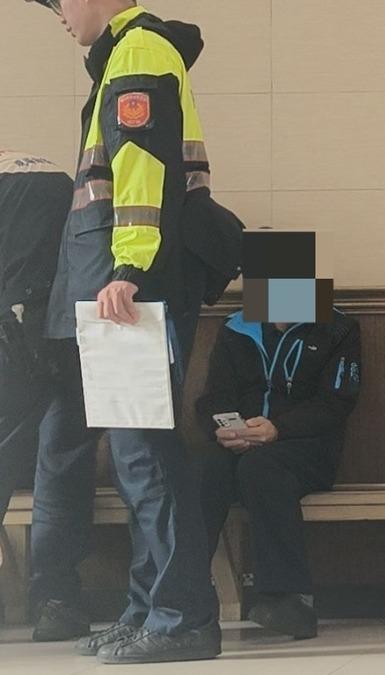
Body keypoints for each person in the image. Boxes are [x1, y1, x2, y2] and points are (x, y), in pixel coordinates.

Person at [24, 0, 221, 664]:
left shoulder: (138, 51)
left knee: (145, 456)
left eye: (59, 1)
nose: (57, 13)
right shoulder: (126, 53)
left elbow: (141, 171)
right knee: (138, 458)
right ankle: (147, 610)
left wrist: (130, 268)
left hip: (130, 285)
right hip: (121, 285)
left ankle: (182, 618)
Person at [194, 309, 362, 640]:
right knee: (204, 468)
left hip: (306, 447)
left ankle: (289, 599)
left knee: (261, 467)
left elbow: (335, 403)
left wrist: (278, 429)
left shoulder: (339, 329)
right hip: (240, 443)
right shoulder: (236, 328)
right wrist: (221, 429)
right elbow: (214, 395)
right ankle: (183, 593)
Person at [0, 151, 72, 531]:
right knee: (62, 451)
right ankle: (56, 570)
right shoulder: (60, 177)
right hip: (68, 324)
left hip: (15, 327)